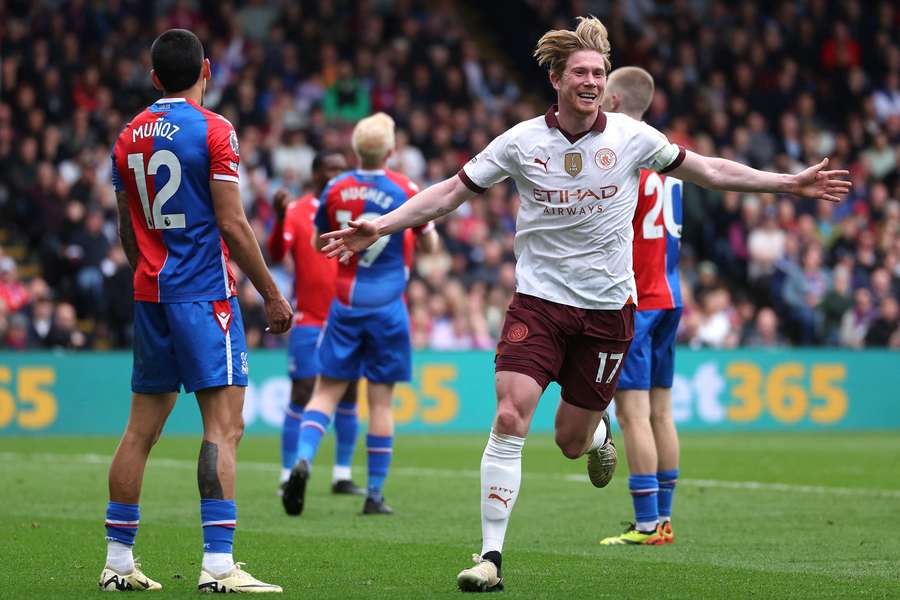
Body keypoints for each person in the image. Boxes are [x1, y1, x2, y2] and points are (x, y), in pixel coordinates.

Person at [321, 17, 850, 593]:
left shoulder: (631, 137)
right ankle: (490, 556)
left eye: (599, 72)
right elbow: (449, 192)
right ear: (556, 78)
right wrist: (381, 226)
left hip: (607, 312)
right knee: (508, 416)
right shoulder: (520, 141)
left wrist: (785, 184)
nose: (591, 81)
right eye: (580, 72)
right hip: (538, 303)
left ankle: (597, 435)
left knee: (570, 440)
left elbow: (708, 170)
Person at [102, 29, 291, 593]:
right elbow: (232, 222)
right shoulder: (214, 130)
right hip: (205, 297)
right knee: (223, 428)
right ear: (206, 69)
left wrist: (149, 272)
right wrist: (272, 294)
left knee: (139, 432)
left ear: (155, 77)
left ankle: (117, 561)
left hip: (150, 293)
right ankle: (217, 566)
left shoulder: (126, 136)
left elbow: (125, 229)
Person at [281, 112, 439, 517]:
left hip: (345, 305)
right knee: (380, 402)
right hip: (388, 308)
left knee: (326, 392)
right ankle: (374, 493)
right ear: (390, 150)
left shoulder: (335, 187)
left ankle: (302, 460)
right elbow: (430, 247)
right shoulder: (405, 187)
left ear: (354, 150)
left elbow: (321, 243)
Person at [597, 66, 683, 546]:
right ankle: (664, 519)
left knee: (633, 415)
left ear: (613, 101)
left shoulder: (623, 157)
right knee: (662, 413)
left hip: (639, 299)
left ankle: (647, 523)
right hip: (672, 295)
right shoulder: (670, 157)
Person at [268, 151, 366, 499]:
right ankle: (286, 474)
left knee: (350, 394)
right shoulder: (297, 211)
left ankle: (341, 474)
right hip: (310, 318)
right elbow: (277, 255)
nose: (336, 174)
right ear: (316, 173)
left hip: (347, 317)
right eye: (330, 168)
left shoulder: (356, 213)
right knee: (303, 392)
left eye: (342, 169)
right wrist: (279, 219)